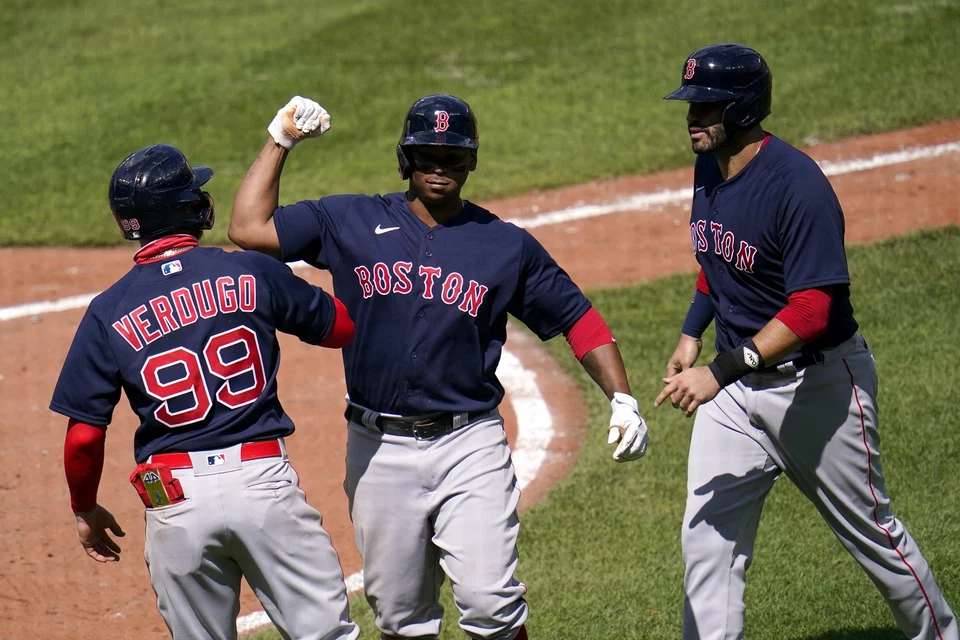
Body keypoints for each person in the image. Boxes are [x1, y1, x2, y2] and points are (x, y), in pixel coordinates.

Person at [228, 93, 650, 640]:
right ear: (405, 158)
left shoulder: (504, 245)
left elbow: (580, 319)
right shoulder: (351, 220)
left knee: (490, 603)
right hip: (378, 447)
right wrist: (280, 139)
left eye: (452, 157)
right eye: (427, 156)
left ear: (471, 161)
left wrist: (621, 397)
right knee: (401, 616)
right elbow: (248, 227)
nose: (439, 168)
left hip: (467, 444)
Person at [656, 43, 958, 640]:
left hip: (818, 388)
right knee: (707, 542)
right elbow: (717, 259)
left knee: (873, 537)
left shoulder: (797, 186)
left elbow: (813, 308)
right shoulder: (709, 167)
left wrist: (718, 370)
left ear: (742, 109)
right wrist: (692, 333)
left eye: (705, 106)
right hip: (739, 397)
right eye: (689, 104)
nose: (691, 117)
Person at [50, 143, 361, 640]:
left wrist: (84, 509)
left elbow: (84, 439)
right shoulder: (249, 270)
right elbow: (341, 328)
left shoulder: (107, 311)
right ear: (189, 209)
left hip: (175, 499)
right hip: (262, 483)